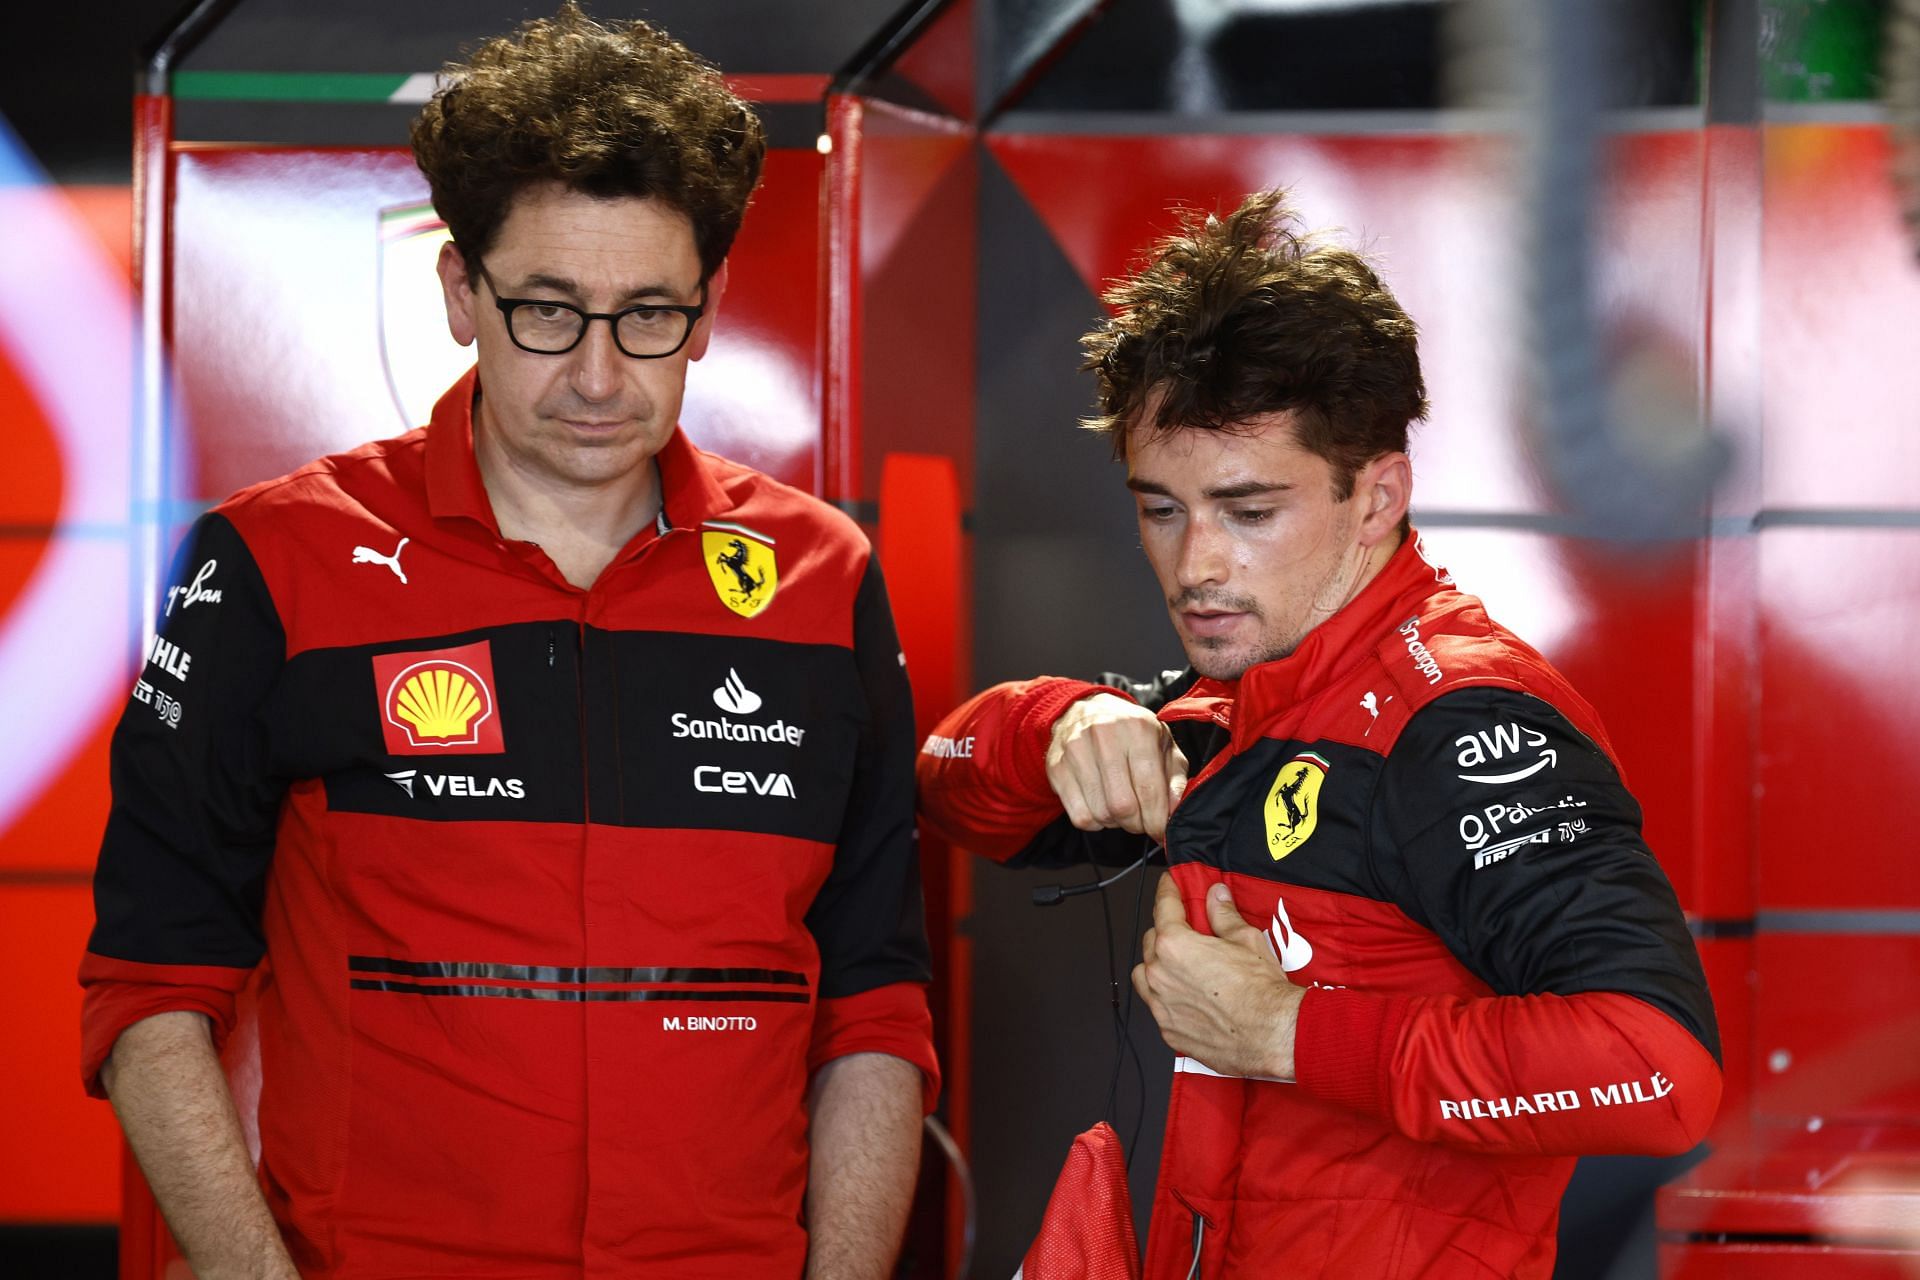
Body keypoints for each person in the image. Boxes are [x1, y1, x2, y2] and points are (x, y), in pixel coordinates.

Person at [79, 7, 936, 1277]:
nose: (598, 373)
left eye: (650, 314)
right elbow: (151, 981)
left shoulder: (823, 578)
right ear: (458, 291)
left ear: (706, 314)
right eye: (547, 309)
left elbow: (874, 1004)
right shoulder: (275, 560)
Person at [916, 189, 1720, 1279]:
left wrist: (1291, 1032)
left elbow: (1659, 1071)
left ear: (1377, 493)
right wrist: (1061, 721)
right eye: (1162, 508)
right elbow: (950, 789)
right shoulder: (1233, 713)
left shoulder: (1459, 720)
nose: (1197, 563)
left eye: (1250, 512)